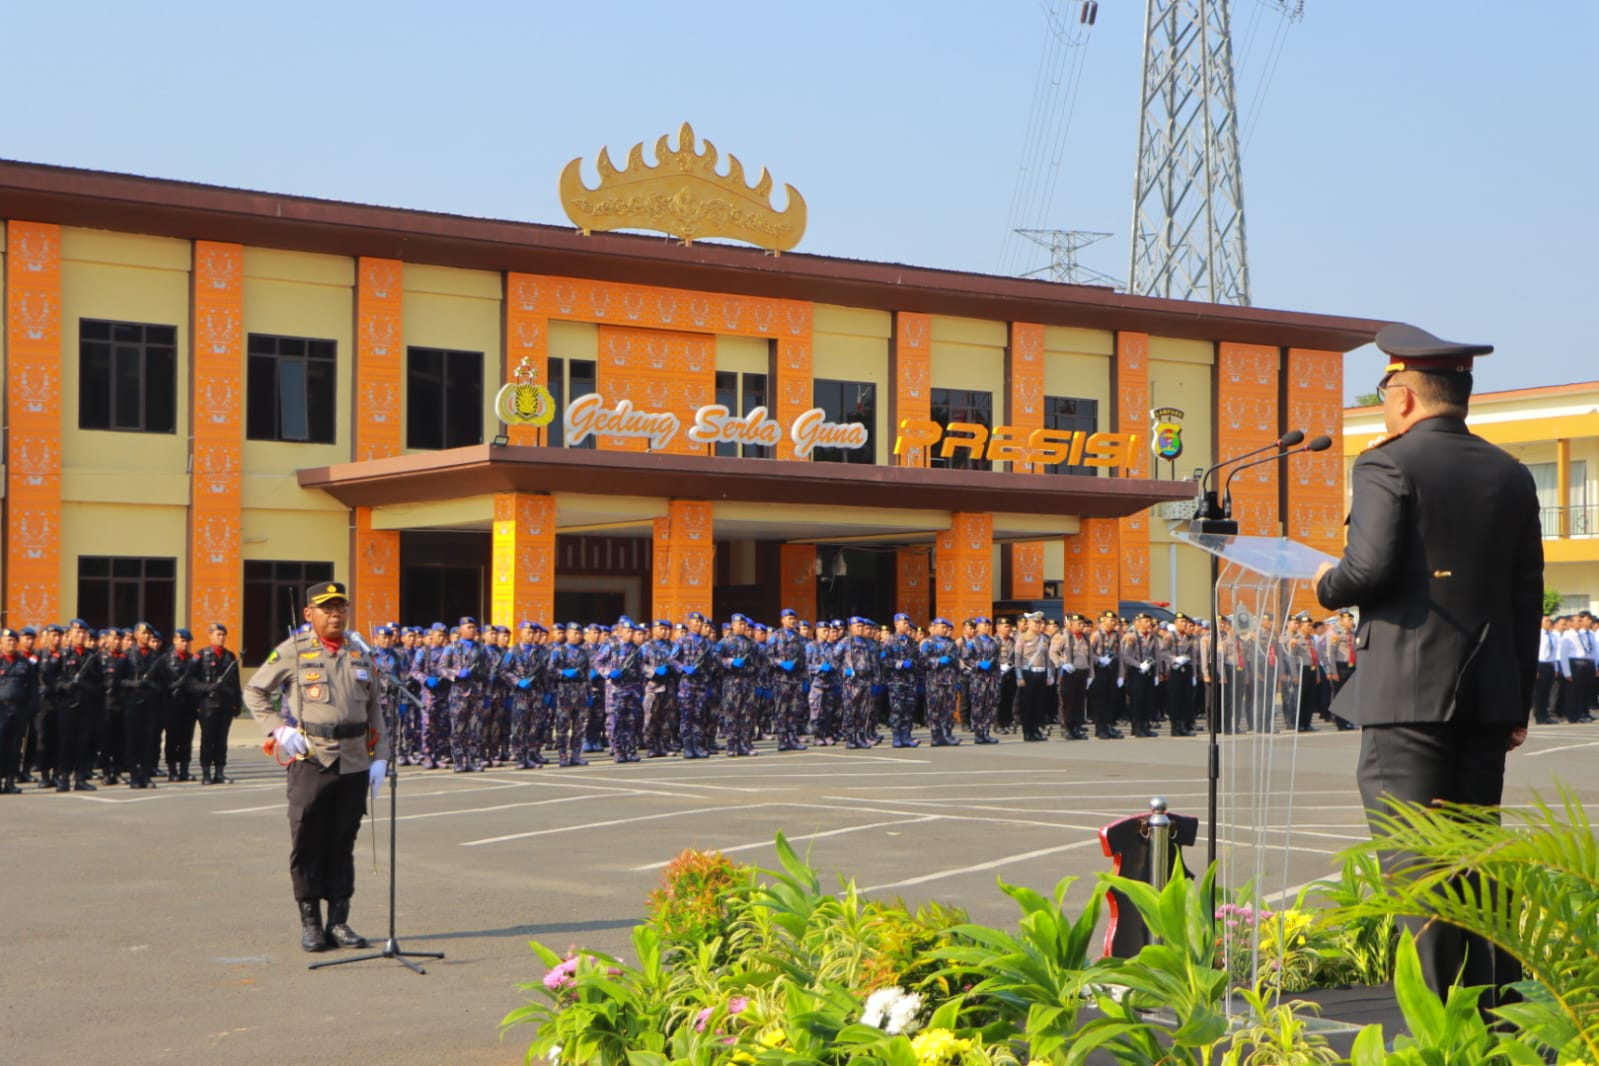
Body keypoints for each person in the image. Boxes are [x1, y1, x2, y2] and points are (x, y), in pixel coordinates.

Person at [1314, 323, 1542, 1008]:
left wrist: (1323, 585)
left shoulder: (1387, 463)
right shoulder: (1510, 472)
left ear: (1405, 396)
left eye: (1386, 391)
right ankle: (1499, 1018)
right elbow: (1523, 599)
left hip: (1405, 699)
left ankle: (1440, 1031)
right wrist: (1515, 702)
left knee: (1419, 874)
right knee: (1474, 867)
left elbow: (1368, 567)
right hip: (1485, 701)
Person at [243, 582, 390, 954]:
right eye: (327, 608)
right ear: (310, 614)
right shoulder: (294, 651)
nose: (336, 614)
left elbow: (374, 708)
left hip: (355, 758)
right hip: (312, 756)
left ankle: (338, 921)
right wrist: (278, 729)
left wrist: (382, 757)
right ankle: (310, 922)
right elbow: (255, 691)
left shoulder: (360, 652)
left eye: (341, 607)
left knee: (343, 841)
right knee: (307, 840)